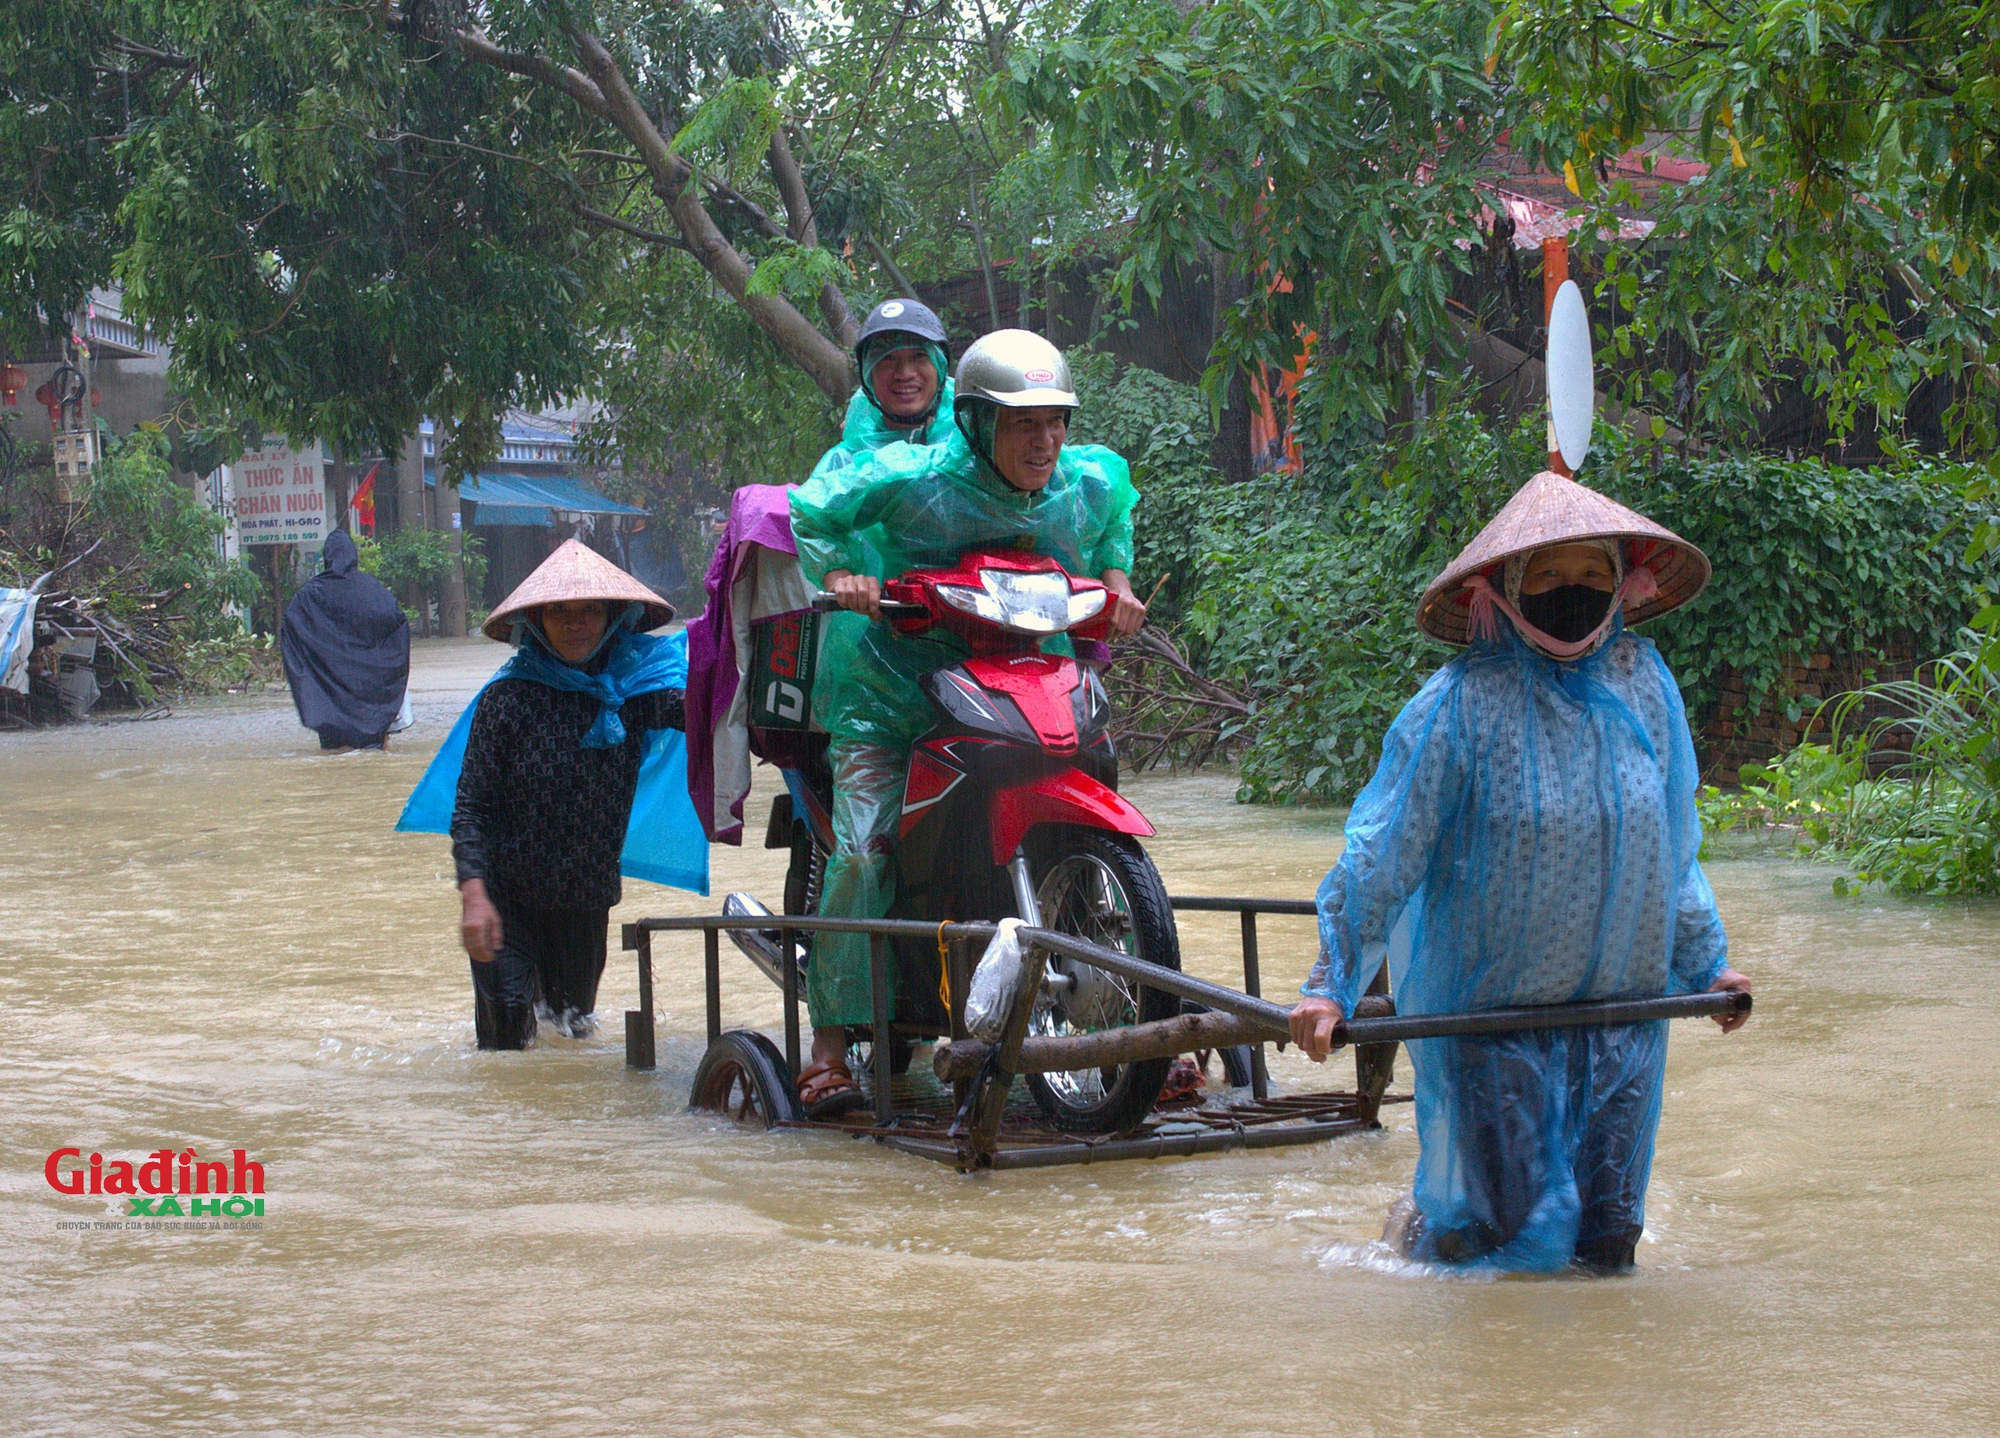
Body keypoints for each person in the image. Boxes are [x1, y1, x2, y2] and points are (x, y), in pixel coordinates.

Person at [1287, 470, 1753, 1274]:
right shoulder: (1459, 705)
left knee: (1608, 1245)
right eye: (1547, 577)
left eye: (1591, 575)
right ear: (1502, 588)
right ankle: (1422, 1241)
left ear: (1620, 584)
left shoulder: (1644, 686)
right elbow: (1382, 851)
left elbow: (1672, 848)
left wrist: (1708, 964)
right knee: (1516, 1242)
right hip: (1489, 1028)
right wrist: (1331, 982)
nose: (1570, 593)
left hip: (1623, 1023)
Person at [787, 329, 1147, 1114]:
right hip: (895, 696)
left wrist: (1116, 582)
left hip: (1026, 682)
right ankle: (827, 1047)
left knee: (1097, 782)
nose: (1044, 440)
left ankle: (1136, 1017)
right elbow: (811, 513)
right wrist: (844, 575)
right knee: (862, 851)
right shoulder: (911, 478)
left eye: (1055, 420)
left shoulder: (1076, 484)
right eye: (1024, 423)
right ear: (978, 421)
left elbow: (1114, 509)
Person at [448, 540, 687, 1048]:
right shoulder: (506, 700)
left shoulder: (636, 694)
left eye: (589, 610)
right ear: (536, 620)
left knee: (570, 1031)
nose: (575, 623)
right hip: (505, 900)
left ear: (612, 618)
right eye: (559, 611)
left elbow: (706, 714)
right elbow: (471, 807)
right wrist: (474, 894)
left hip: (584, 900)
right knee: (510, 1035)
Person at [278, 530, 410, 750]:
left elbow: (290, 626)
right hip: (368, 695)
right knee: (371, 753)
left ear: (327, 557)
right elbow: (396, 622)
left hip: (329, 693)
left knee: (333, 753)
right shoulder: (372, 590)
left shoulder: (311, 594)